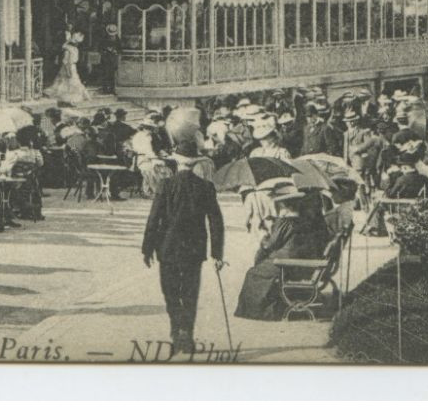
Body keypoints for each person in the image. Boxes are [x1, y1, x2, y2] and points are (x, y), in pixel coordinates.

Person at [141, 139, 225, 355]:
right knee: (190, 291)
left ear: (176, 162)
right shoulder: (206, 187)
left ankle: (175, 326)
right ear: (195, 163)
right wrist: (217, 252)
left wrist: (147, 248)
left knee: (170, 290)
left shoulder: (166, 185)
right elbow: (216, 221)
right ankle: (186, 332)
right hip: (194, 248)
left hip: (167, 247)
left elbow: (154, 218)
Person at [233, 185, 333, 321]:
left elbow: (270, 244)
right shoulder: (306, 222)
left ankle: (259, 310)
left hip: (286, 264)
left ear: (285, 206)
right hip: (302, 265)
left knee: (253, 273)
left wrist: (264, 237)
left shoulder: (285, 222)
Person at [46, 31, 89, 104]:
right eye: (76, 42)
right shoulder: (68, 49)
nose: (77, 44)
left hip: (73, 66)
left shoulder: (75, 49)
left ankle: (72, 98)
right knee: (68, 81)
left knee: (74, 82)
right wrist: (68, 70)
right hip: (68, 67)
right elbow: (66, 61)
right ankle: (68, 99)